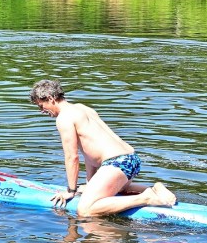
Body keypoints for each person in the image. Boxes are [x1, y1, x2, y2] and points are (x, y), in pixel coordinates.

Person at [30, 79, 177, 217]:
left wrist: (71, 190)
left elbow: (72, 157)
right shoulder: (82, 108)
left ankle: (146, 198)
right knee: (119, 190)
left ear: (50, 98)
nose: (42, 111)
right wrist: (90, 184)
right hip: (131, 158)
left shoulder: (64, 118)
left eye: (41, 106)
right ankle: (155, 189)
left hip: (117, 162)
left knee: (85, 210)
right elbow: (89, 152)